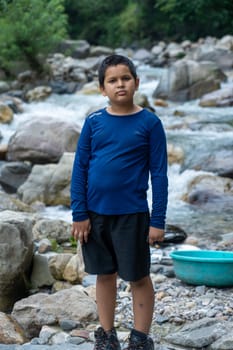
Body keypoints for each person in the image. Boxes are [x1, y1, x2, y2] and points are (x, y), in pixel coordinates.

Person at [70, 54, 168, 350]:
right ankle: (107, 334)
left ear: (137, 83)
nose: (120, 84)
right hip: (95, 215)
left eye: (125, 78)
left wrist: (157, 221)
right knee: (104, 274)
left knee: (138, 275)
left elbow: (159, 174)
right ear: (102, 88)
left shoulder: (150, 123)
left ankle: (140, 338)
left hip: (133, 215)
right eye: (112, 80)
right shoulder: (94, 122)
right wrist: (79, 212)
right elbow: (80, 168)